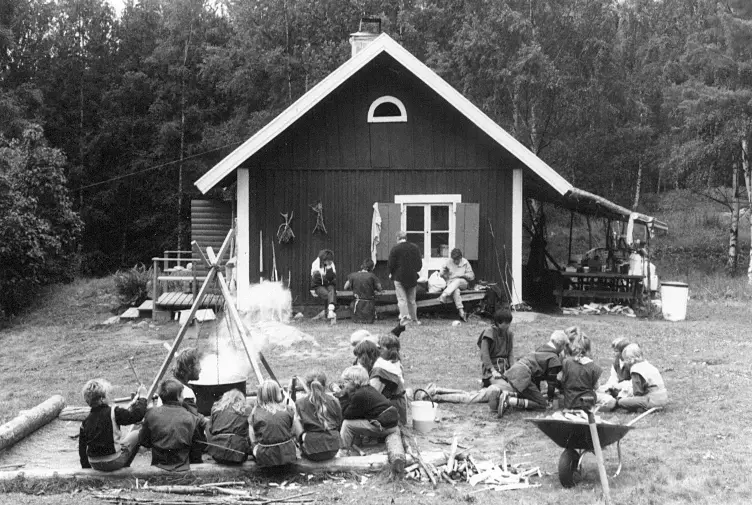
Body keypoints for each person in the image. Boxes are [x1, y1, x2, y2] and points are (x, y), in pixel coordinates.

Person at [78, 379, 148, 471]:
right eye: (107, 395)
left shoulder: (85, 422)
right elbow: (137, 416)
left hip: (95, 464)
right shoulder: (114, 412)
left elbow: (82, 449)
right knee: (137, 434)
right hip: (113, 461)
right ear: (102, 399)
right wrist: (143, 397)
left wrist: (86, 469)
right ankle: (125, 467)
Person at [497, 330, 570, 417]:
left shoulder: (541, 348)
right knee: (543, 405)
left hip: (514, 372)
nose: (563, 349)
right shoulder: (553, 358)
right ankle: (510, 401)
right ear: (560, 345)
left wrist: (537, 392)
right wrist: (550, 399)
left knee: (532, 396)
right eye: (563, 346)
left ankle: (507, 394)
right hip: (523, 376)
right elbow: (551, 382)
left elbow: (537, 376)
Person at [139, 378, 203, 472]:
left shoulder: (151, 413)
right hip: (183, 466)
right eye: (182, 395)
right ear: (178, 397)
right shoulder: (191, 418)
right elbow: (197, 447)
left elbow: (143, 441)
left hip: (158, 464)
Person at [336, 365, 400, 457]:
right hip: (390, 424)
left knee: (347, 424)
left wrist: (342, 397)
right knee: (355, 419)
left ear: (354, 382)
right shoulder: (367, 389)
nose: (343, 385)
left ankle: (343, 452)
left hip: (385, 427)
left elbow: (346, 415)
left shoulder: (360, 395)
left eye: (345, 382)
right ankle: (356, 442)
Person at [601, 344, 668, 412]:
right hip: (663, 398)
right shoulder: (648, 365)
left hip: (651, 400)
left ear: (630, 359)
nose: (624, 362)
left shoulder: (635, 369)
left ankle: (639, 408)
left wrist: (621, 395)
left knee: (621, 401)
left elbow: (638, 392)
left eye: (625, 360)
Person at [294, 371, 343, 461]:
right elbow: (339, 422)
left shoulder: (300, 403)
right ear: (325, 385)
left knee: (295, 420)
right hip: (333, 449)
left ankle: (302, 447)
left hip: (312, 452)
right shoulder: (334, 400)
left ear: (307, 386)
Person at [250, 379, 298, 467]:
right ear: (277, 392)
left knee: (255, 446)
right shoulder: (288, 409)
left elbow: (252, 436)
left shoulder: (255, 412)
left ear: (260, 394)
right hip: (287, 454)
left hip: (265, 456)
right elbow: (294, 431)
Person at [172, 347, 207, 464]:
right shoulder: (185, 392)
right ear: (190, 367)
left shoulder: (171, 384)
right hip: (181, 447)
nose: (200, 368)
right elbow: (193, 422)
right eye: (198, 365)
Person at [206, 389, 251, 465]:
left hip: (217, 454)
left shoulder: (216, 409)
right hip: (238, 454)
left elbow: (210, 429)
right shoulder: (246, 409)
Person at [387, 231, 423, 325]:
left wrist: (391, 273)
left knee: (402, 299)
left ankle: (405, 319)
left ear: (397, 238)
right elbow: (419, 265)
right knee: (412, 300)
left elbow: (391, 264)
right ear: (406, 238)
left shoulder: (395, 249)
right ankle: (414, 320)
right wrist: (414, 271)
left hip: (398, 277)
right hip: (412, 276)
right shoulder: (415, 247)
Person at [558, 335, 602, 409]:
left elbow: (559, 379)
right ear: (589, 349)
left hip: (570, 401)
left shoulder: (566, 362)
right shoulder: (594, 367)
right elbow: (596, 387)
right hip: (587, 402)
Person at [478, 307, 514, 387]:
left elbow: (510, 353)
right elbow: (485, 355)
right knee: (506, 387)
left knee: (521, 384)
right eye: (506, 323)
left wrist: (512, 368)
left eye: (509, 322)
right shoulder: (489, 333)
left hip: (506, 368)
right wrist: (493, 370)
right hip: (492, 370)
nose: (508, 325)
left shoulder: (509, 333)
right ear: (498, 322)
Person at [438, 248, 475, 321]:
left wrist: (464, 275)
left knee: (457, 281)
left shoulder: (465, 262)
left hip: (462, 282)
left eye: (457, 260)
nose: (455, 261)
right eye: (454, 260)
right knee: (456, 291)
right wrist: (444, 273)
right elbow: (441, 274)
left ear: (461, 257)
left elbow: (472, 276)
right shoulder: (448, 262)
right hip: (451, 284)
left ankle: (443, 295)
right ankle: (461, 312)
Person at [344, 259, 383, 324]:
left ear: (362, 266)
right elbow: (379, 288)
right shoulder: (372, 276)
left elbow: (345, 287)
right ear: (371, 268)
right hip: (369, 306)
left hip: (357, 305)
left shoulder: (353, 275)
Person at [310, 249, 338, 322]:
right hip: (318, 286)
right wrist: (326, 276)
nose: (330, 262)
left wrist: (329, 269)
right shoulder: (315, 264)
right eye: (328, 260)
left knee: (331, 290)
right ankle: (330, 311)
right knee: (328, 294)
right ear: (323, 259)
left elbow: (332, 278)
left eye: (331, 260)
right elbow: (316, 280)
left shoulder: (331, 264)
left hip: (328, 284)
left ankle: (329, 312)